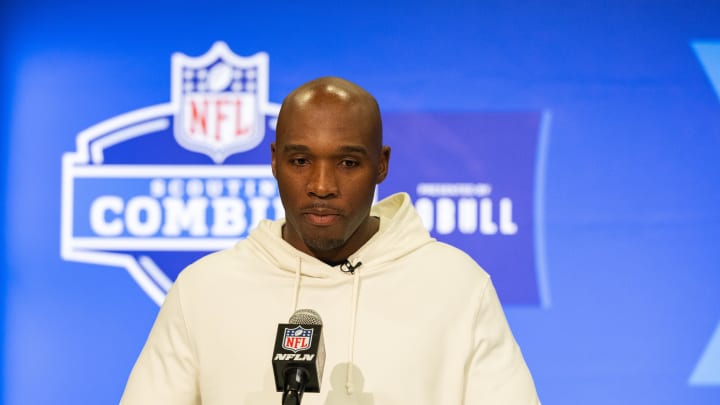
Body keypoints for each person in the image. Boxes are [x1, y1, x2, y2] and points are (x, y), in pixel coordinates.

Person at [120, 77, 540, 404]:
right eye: (300, 161)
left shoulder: (456, 286)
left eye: (347, 162)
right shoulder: (204, 289)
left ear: (381, 165)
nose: (321, 186)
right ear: (274, 161)